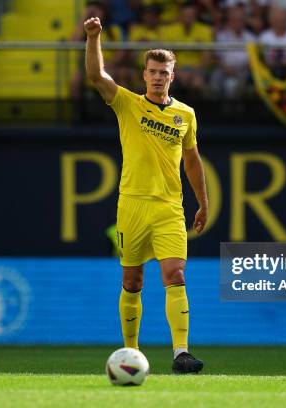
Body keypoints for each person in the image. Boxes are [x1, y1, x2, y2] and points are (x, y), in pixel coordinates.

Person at [83, 15, 208, 374]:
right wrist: (94, 38)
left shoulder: (186, 115)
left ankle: (181, 353)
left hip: (170, 207)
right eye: (152, 71)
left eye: (163, 72)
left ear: (173, 76)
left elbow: (193, 162)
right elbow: (96, 77)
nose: (157, 76)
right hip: (133, 205)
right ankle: (130, 354)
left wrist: (203, 202)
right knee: (132, 281)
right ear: (144, 75)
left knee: (176, 275)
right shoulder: (127, 104)